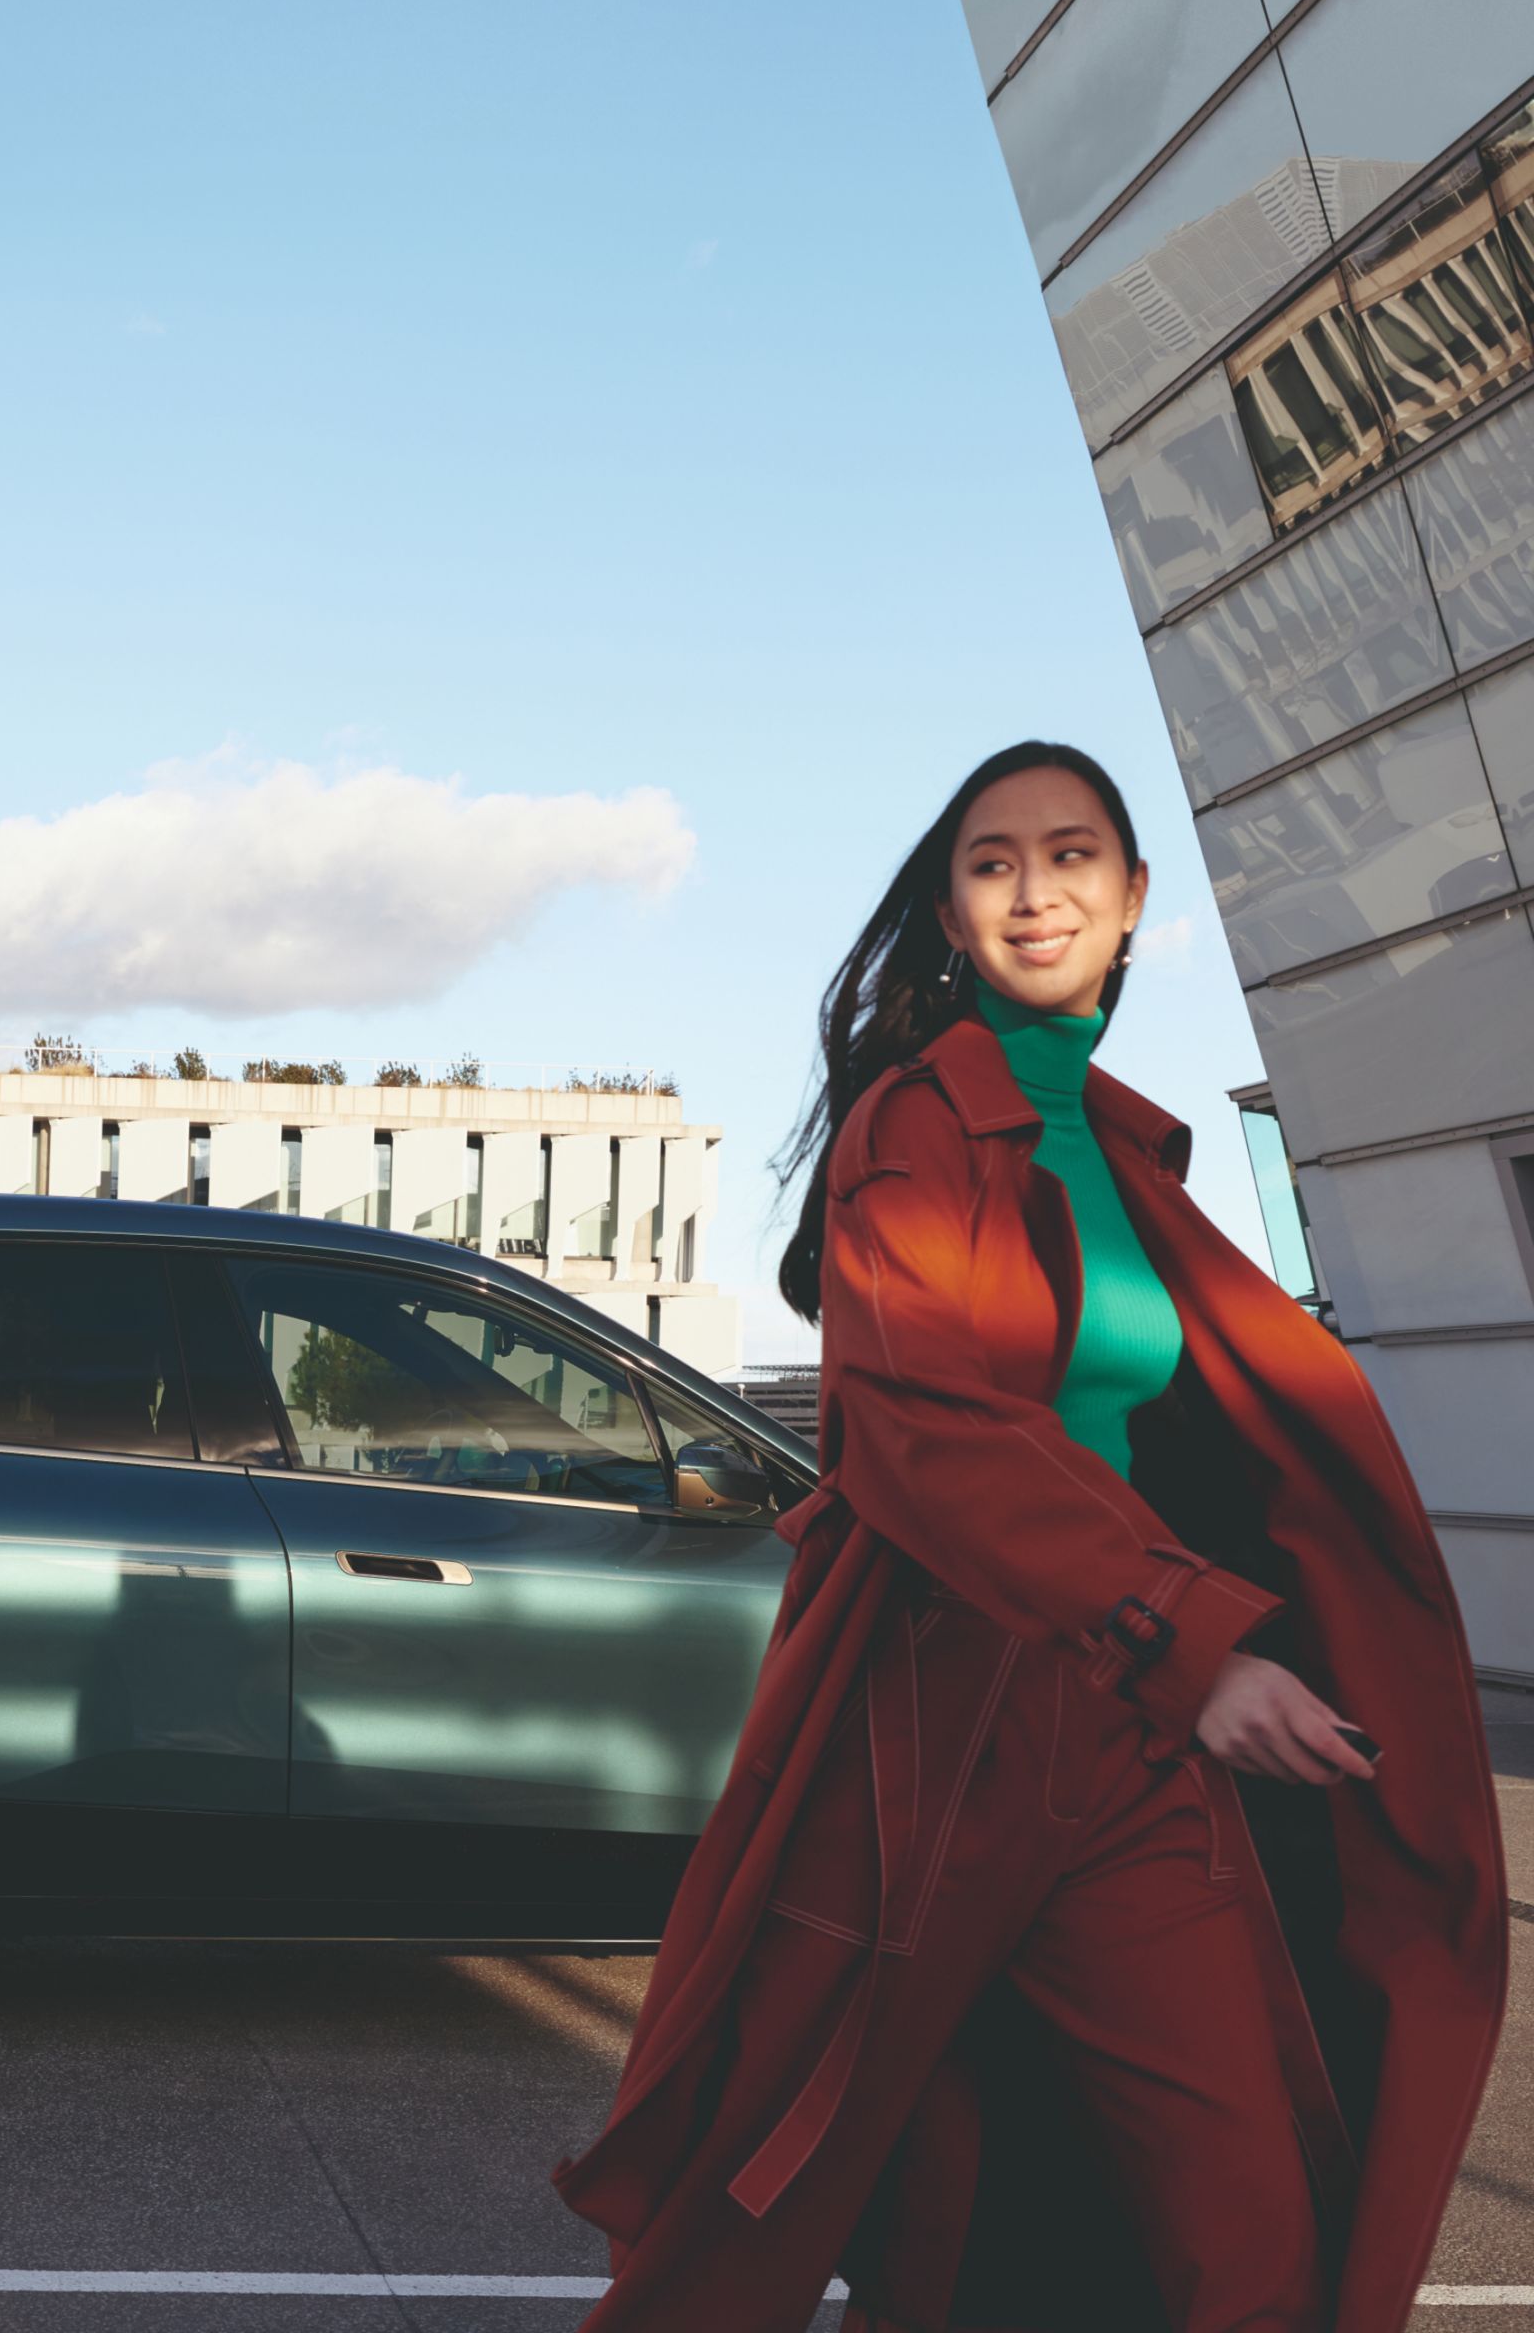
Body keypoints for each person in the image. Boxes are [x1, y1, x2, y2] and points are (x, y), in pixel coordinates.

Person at [553, 741, 1507, 2333]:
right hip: (941, 1730)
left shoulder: (1132, 1152)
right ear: (951, 908)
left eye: (1072, 857)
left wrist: (1206, 1644)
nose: (1034, 889)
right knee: (766, 2195)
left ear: (1136, 904)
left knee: (1249, 2219)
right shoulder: (910, 1128)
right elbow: (923, 1427)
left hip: (1125, 1726)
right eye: (993, 862)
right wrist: (1190, 1644)